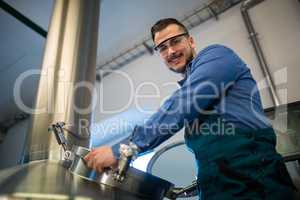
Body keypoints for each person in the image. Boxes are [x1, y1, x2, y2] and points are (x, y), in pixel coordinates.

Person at [85, 18, 297, 199]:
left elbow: (182, 104)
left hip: (256, 179)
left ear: (191, 41)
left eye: (175, 41)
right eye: (162, 48)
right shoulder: (189, 92)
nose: (171, 51)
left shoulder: (217, 55)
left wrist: (124, 150)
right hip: (218, 187)